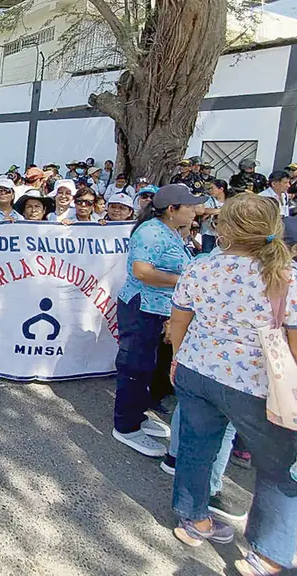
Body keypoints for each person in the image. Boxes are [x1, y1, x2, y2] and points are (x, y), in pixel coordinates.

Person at [168, 195, 297, 576]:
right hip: (259, 385)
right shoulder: (286, 277)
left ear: (224, 228)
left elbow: (178, 321)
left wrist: (179, 358)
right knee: (279, 468)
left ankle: (193, 517)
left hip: (197, 371)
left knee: (197, 448)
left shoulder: (200, 268)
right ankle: (267, 554)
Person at [112, 184, 206, 457]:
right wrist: (184, 281)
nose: (195, 210)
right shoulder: (151, 232)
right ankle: (126, 426)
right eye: (189, 207)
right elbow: (142, 271)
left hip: (163, 309)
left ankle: (138, 414)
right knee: (135, 366)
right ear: (172, 210)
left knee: (151, 367)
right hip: (143, 308)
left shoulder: (172, 231)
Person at [200, 179, 229, 253]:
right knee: (206, 254)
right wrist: (222, 211)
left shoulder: (229, 201)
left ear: (221, 189)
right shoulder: (208, 200)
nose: (210, 190)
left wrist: (213, 212)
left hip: (223, 235)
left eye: (212, 188)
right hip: (208, 233)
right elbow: (204, 210)